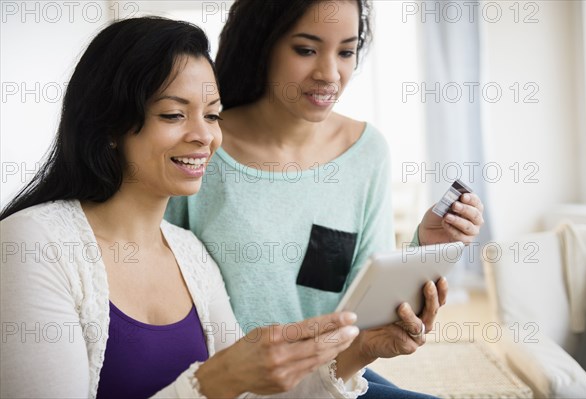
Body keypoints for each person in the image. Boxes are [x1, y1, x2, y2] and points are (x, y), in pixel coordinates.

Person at [0, 17, 372, 399]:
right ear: (110, 125)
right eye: (174, 114)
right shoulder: (33, 242)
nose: (205, 136)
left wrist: (361, 350)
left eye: (212, 114)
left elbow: (250, 394)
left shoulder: (190, 254)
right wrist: (216, 380)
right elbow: (227, 383)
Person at [165, 0, 485, 397]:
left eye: (346, 51)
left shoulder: (366, 152)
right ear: (262, 44)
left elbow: (365, 304)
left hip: (333, 376)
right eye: (306, 49)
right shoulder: (200, 148)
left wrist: (425, 248)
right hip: (231, 384)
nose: (330, 74)